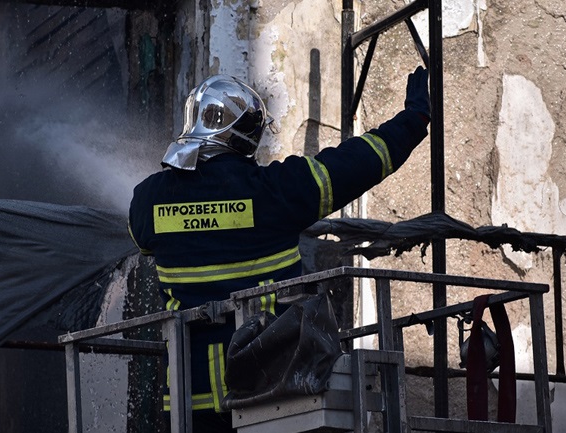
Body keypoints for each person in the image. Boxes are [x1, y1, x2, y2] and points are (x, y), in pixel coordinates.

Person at [128, 66, 430, 432]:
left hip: (187, 404)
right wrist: (414, 118)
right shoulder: (277, 191)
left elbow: (143, 239)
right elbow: (359, 162)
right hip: (271, 394)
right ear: (245, 135)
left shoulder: (148, 201)